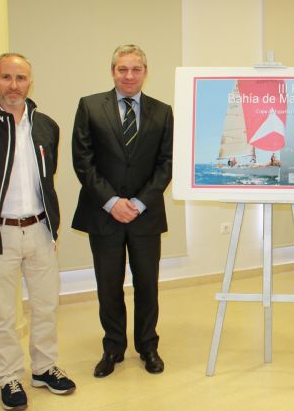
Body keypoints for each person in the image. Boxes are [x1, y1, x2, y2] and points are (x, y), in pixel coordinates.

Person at [0, 53, 76, 410]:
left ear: (29, 82)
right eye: (6, 77)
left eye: (20, 78)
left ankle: (44, 368)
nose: (13, 85)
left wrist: (50, 227)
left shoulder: (46, 127)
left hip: (39, 230)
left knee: (46, 306)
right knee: (2, 314)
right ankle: (9, 376)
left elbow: (47, 178)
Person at [72, 44, 173, 378]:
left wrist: (139, 203)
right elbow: (83, 161)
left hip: (146, 215)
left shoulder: (163, 112)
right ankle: (113, 347)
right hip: (103, 214)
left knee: (147, 285)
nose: (129, 76)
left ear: (145, 72)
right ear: (112, 71)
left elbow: (166, 164)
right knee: (108, 286)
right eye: (122, 69)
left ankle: (148, 346)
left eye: (136, 69)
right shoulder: (89, 106)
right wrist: (112, 202)